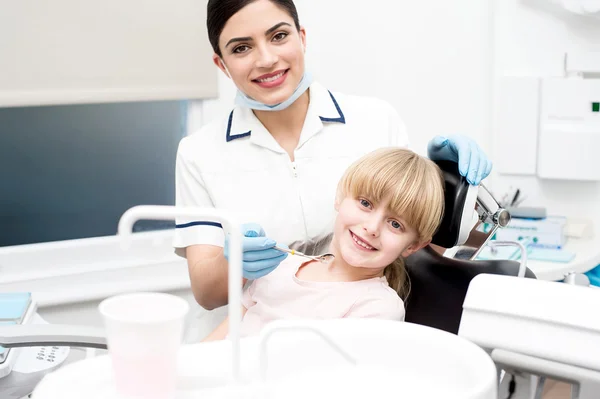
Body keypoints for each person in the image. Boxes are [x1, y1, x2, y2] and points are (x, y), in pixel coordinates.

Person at [174, 0, 492, 310]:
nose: (267, 59)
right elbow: (206, 293)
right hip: (249, 338)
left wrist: (445, 182)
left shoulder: (377, 121)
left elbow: (412, 247)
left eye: (279, 36)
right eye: (242, 48)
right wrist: (236, 263)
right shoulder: (199, 153)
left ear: (302, 37)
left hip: (353, 329)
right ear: (222, 64)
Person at [202, 147, 445, 340]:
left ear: (412, 247)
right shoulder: (279, 267)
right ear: (339, 197)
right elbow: (214, 345)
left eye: (395, 224)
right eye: (366, 204)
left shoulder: (378, 308)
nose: (372, 228)